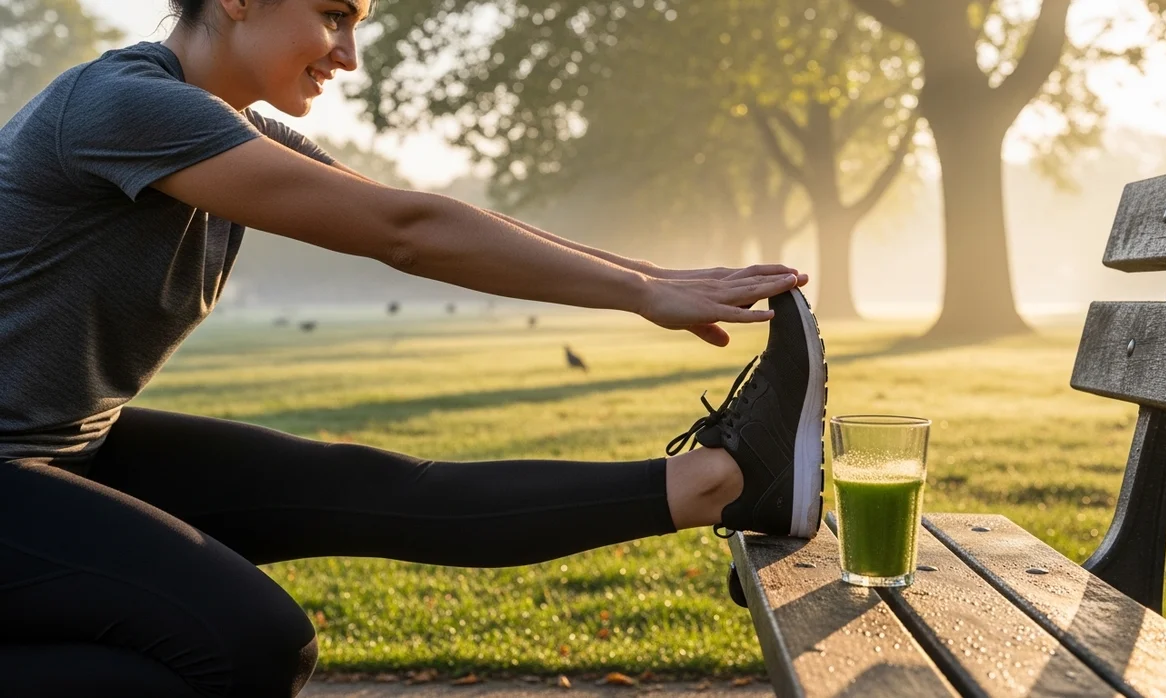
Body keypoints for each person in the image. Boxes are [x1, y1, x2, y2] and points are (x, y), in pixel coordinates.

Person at [0, 0, 827, 695]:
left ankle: (720, 485)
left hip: (59, 452)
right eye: (331, 16)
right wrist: (645, 294)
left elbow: (417, 212)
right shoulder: (122, 104)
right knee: (248, 643)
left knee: (364, 487)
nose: (348, 56)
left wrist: (655, 275)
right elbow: (406, 234)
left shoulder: (228, 130)